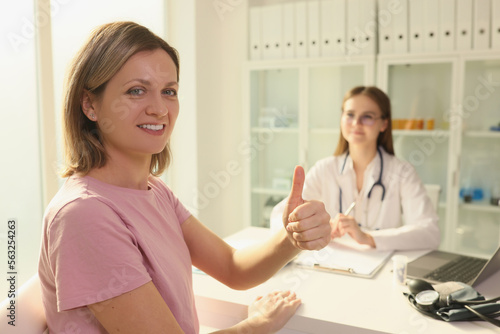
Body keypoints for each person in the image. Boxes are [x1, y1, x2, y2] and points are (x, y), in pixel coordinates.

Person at [38, 21, 331, 334]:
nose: (160, 109)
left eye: (169, 91)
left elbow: (233, 266)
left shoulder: (153, 190)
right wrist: (260, 324)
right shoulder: (84, 215)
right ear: (89, 105)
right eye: (136, 91)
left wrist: (291, 236)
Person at [271, 86, 440, 251]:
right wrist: (312, 228)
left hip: (381, 268)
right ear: (342, 118)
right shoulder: (325, 169)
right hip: (331, 265)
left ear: (384, 124)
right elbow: (279, 218)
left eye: (367, 117)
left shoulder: (402, 172)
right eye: (350, 115)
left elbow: (430, 233)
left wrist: (368, 238)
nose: (356, 123)